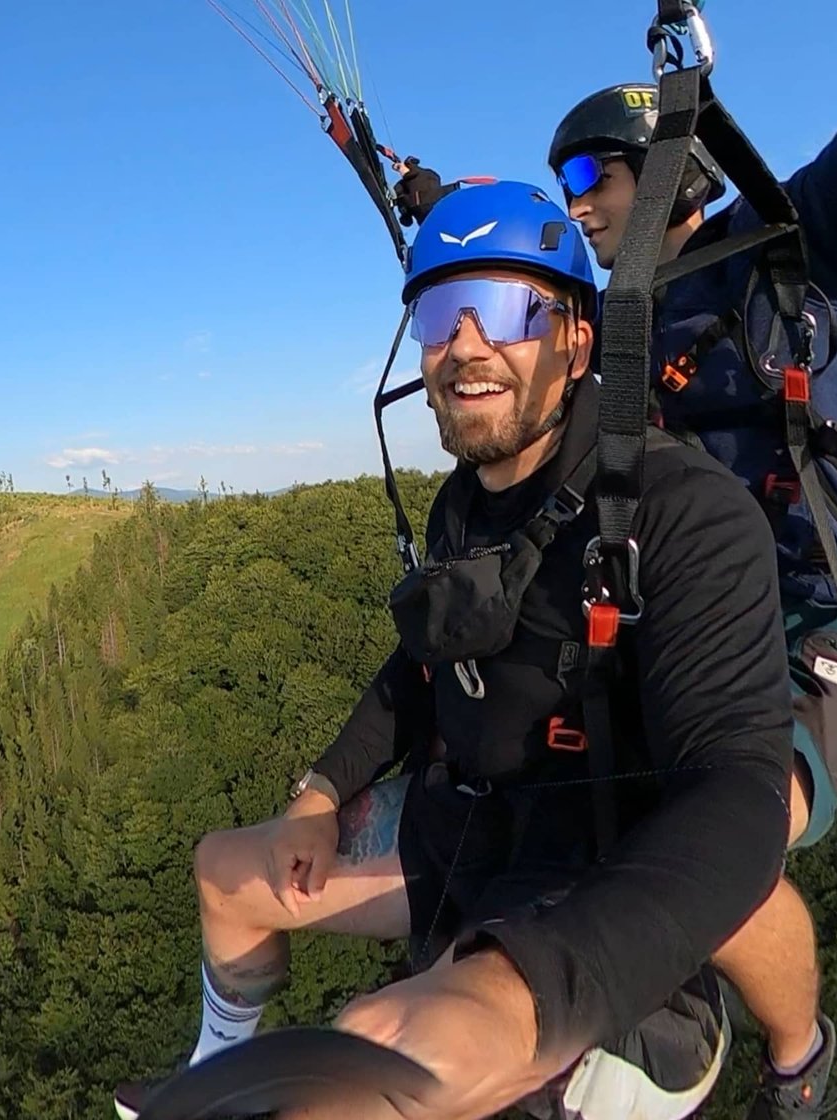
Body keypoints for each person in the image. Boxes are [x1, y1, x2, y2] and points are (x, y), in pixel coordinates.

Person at [113, 180, 798, 1120]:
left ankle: (795, 1062)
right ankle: (212, 1063)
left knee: (368, 1088)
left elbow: (740, 796)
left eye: (511, 309)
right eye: (441, 313)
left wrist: (520, 992)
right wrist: (318, 793)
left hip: (595, 893)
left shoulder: (684, 514)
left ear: (578, 341)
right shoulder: (465, 503)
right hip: (468, 831)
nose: (467, 345)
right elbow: (422, 665)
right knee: (226, 870)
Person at [540, 0, 837, 1114]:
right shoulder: (610, 330)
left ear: (672, 168)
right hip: (685, 633)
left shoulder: (795, 248)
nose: (575, 204)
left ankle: (792, 1067)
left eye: (591, 172)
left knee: (719, 832)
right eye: (563, 185)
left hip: (824, 621)